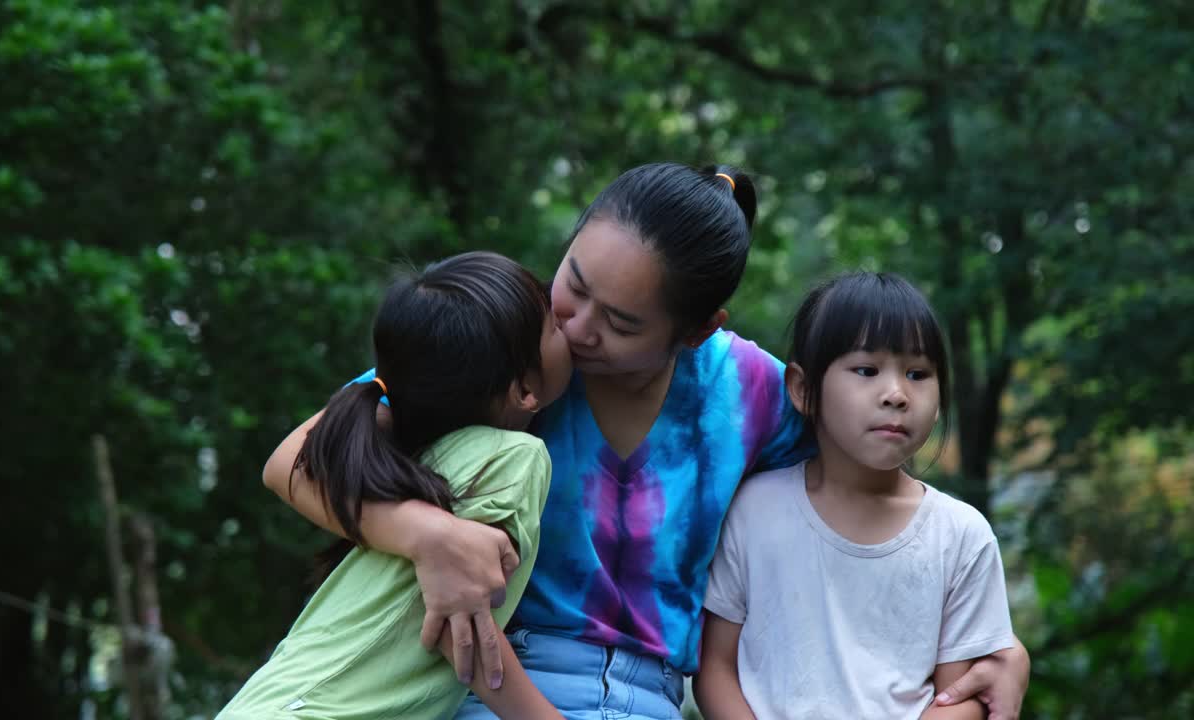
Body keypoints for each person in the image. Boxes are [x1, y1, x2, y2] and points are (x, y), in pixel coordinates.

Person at [263, 163, 1031, 719]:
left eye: (621, 323)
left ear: (697, 331)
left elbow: (869, 503)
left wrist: (992, 652)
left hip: (658, 698)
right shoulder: (503, 345)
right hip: (494, 688)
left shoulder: (756, 395)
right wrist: (426, 534)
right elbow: (296, 459)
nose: (576, 325)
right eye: (574, 281)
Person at [218, 252, 572, 720]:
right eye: (553, 326)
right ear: (525, 388)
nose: (569, 327)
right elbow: (461, 626)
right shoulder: (514, 457)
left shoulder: (406, 454)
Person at [695, 272, 1014, 719]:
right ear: (803, 390)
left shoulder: (961, 536)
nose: (897, 394)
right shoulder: (753, 510)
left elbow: (958, 700)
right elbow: (715, 670)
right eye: (867, 370)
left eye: (918, 374)